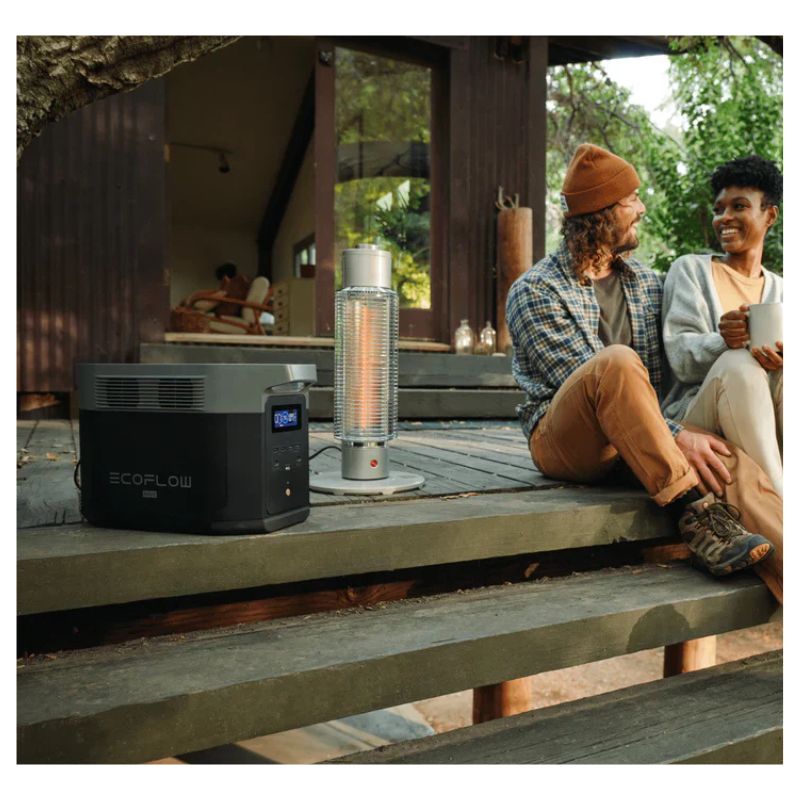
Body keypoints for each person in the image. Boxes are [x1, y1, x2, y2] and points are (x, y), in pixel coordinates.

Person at [506, 143, 781, 602]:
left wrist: (730, 342)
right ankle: (693, 512)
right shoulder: (535, 290)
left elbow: (680, 366)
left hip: (648, 439)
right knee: (615, 362)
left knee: (728, 466)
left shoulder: (647, 283)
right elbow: (588, 383)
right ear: (601, 213)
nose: (642, 208)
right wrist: (678, 435)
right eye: (631, 199)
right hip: (570, 442)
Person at [662, 155, 783, 495]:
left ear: (770, 215)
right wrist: (724, 342)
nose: (724, 218)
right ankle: (779, 496)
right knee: (739, 362)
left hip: (768, 416)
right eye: (719, 209)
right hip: (697, 414)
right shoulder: (690, 270)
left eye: (739, 206)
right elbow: (681, 359)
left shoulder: (783, 290)